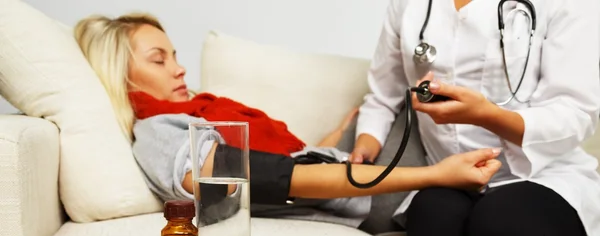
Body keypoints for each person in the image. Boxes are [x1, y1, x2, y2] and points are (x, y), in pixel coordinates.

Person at [72, 13, 502, 222]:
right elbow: (273, 177)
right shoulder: (156, 135)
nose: (179, 69)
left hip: (349, 158)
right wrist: (436, 176)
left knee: (427, 92)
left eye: (176, 56)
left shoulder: (198, 110)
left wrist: (339, 133)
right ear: (121, 76)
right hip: (367, 184)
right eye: (158, 60)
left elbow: (286, 159)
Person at [350, 0, 600, 236]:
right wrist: (364, 148)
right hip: (453, 176)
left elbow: (575, 114)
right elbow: (384, 96)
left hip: (546, 177)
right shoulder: (409, 4)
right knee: (431, 209)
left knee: (501, 220)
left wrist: (486, 116)